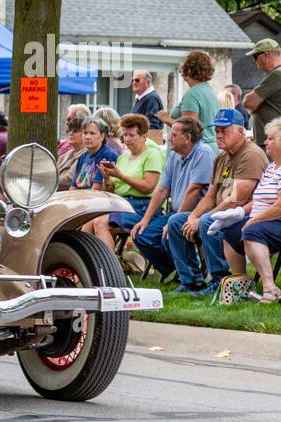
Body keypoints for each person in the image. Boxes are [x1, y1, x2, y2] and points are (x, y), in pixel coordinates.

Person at [162, 109, 268, 295]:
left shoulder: (250, 154)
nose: (219, 135)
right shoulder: (221, 156)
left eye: (224, 130)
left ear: (241, 132)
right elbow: (211, 195)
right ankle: (191, 281)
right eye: (217, 130)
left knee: (208, 221)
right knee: (176, 221)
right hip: (226, 211)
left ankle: (221, 280)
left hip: (245, 214)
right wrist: (193, 216)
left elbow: (237, 199)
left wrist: (201, 218)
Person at [130, 117, 214, 282]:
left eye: (174, 135)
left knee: (172, 229)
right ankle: (177, 269)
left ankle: (192, 278)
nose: (169, 138)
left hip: (196, 214)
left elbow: (194, 191)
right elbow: (162, 189)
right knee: (141, 234)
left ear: (187, 138)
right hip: (177, 212)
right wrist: (145, 220)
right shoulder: (175, 155)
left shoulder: (203, 152)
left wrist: (173, 221)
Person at [82, 113, 164, 252]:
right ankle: (87, 267)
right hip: (121, 203)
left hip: (141, 206)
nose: (127, 139)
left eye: (132, 135)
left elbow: (149, 187)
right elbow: (111, 190)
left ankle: (109, 268)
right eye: (125, 135)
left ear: (144, 136)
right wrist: (107, 178)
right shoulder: (123, 156)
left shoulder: (152, 155)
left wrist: (121, 176)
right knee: (88, 221)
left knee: (100, 223)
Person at [234, 117, 281, 302]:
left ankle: (270, 289)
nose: (265, 142)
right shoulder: (271, 167)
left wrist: (254, 220)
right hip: (264, 221)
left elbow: (279, 206)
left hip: (276, 221)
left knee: (252, 231)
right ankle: (242, 285)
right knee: (229, 230)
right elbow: (258, 199)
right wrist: (238, 213)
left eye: (270, 138)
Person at [157, 50, 218, 153]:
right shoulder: (210, 90)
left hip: (197, 152)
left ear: (189, 70)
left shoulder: (192, 94)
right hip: (211, 148)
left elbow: (189, 129)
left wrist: (166, 118)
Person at [242, 38, 281, 145]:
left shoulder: (276, 75)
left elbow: (248, 102)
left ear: (266, 55)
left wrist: (256, 104)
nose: (254, 61)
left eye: (255, 56)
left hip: (269, 142)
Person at [69, 118, 120, 191]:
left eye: (92, 133)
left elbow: (97, 188)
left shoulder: (108, 155)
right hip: (79, 198)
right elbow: (73, 187)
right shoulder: (83, 157)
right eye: (85, 133)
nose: (87, 137)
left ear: (102, 136)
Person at [130, 71, 165, 144]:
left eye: (137, 80)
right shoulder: (142, 98)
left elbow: (152, 127)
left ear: (148, 82)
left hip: (147, 147)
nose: (134, 83)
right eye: (132, 80)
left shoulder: (152, 99)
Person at [56, 113, 87, 191]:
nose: (70, 133)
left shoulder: (86, 155)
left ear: (85, 135)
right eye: (69, 130)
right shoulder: (64, 156)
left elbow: (68, 180)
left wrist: (45, 181)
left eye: (75, 131)